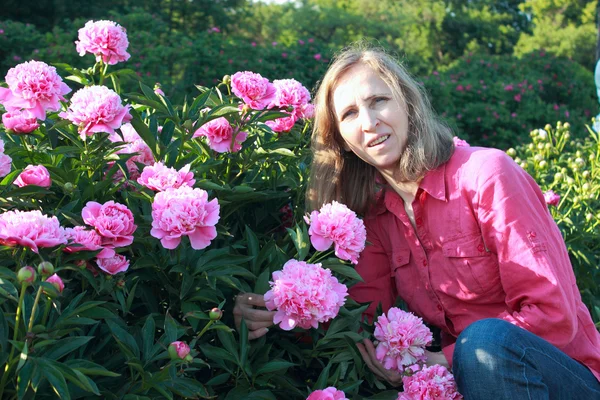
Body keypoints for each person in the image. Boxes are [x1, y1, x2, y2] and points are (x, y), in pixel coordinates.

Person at [233, 45, 600, 399]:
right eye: (349, 114)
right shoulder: (376, 218)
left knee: (484, 342)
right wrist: (277, 310)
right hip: (476, 382)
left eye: (378, 101)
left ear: (407, 103)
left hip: (568, 378)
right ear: (342, 140)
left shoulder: (487, 176)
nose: (369, 122)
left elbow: (554, 315)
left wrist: (447, 359)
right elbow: (359, 322)